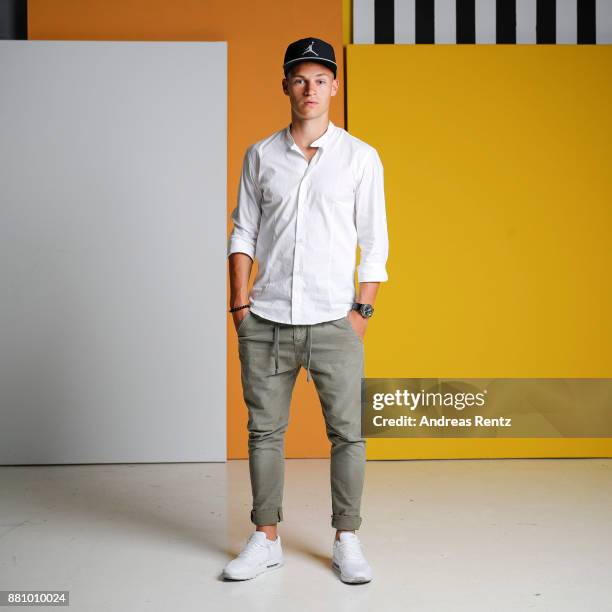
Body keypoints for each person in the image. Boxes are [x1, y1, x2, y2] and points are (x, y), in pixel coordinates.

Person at [222, 37, 389, 584]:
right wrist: (240, 305)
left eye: (321, 79)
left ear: (335, 86)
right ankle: (265, 538)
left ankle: (347, 538)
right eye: (300, 79)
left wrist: (361, 312)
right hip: (265, 319)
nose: (310, 88)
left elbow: (375, 242)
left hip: (335, 319)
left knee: (348, 434)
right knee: (264, 433)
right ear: (285, 85)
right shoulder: (261, 155)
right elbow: (243, 230)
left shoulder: (361, 158)